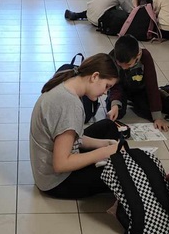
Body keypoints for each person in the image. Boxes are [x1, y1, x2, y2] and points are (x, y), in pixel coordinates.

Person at [30, 53, 121, 199]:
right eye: (106, 86)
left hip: (46, 170)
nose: (105, 93)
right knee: (121, 171)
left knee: (108, 126)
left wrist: (104, 144)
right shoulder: (70, 105)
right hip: (56, 182)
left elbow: (70, 138)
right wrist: (103, 153)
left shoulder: (67, 83)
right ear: (95, 76)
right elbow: (60, 164)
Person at [106, 35, 169, 133]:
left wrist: (157, 117)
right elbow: (115, 85)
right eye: (120, 65)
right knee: (118, 113)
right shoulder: (112, 57)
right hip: (121, 90)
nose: (124, 68)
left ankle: (134, 102)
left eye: (128, 65)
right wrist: (115, 105)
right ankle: (118, 102)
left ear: (138, 55)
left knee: (150, 112)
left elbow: (152, 85)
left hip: (139, 90)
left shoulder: (145, 56)